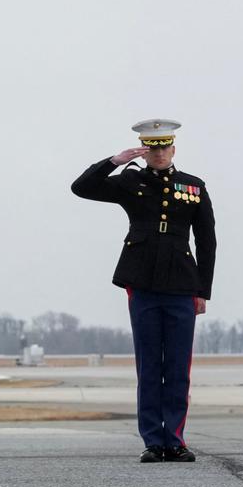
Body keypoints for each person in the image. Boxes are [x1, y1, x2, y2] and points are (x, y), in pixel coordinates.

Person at [71, 119, 216, 462]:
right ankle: (153, 440)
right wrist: (115, 161)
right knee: (149, 365)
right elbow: (81, 187)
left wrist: (203, 290)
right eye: (152, 148)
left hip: (182, 284)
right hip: (142, 282)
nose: (158, 153)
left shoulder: (192, 186)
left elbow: (207, 241)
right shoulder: (129, 181)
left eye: (164, 147)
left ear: (173, 149)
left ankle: (176, 440)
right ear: (144, 151)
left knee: (178, 367)